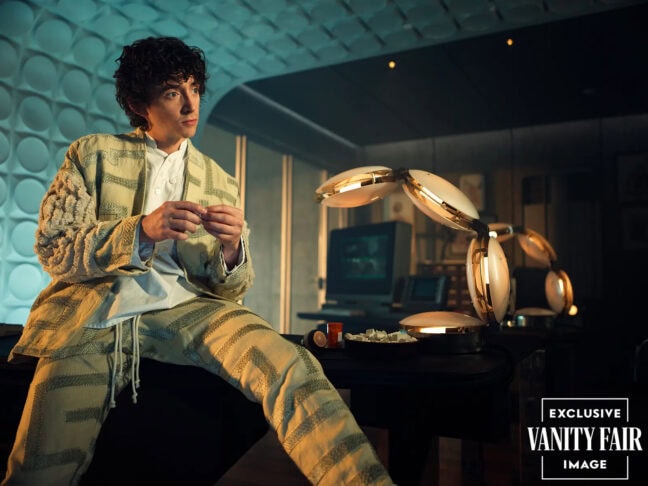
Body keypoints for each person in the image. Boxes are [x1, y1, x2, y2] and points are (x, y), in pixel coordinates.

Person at [2, 36, 394, 486]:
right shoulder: (92, 154)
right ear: (139, 104)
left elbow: (232, 288)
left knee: (293, 366)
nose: (191, 105)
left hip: (188, 311)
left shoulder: (219, 180)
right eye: (173, 92)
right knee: (41, 462)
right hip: (92, 315)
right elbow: (55, 247)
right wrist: (141, 230)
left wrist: (232, 249)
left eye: (194, 88)